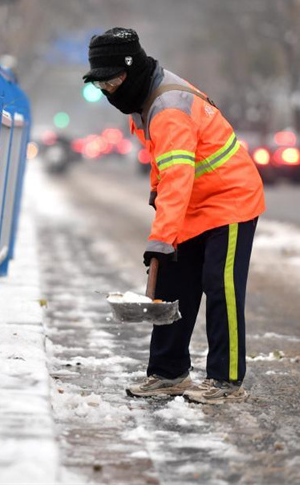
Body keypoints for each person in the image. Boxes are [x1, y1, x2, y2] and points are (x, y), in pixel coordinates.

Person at [82, 27, 265, 404]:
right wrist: (156, 193)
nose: (107, 91)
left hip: (230, 199)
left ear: (129, 74)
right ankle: (168, 373)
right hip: (195, 203)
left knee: (220, 285)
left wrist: (161, 239)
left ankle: (226, 380)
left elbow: (178, 177)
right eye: (100, 85)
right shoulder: (143, 99)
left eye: (111, 83)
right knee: (173, 285)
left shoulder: (167, 109)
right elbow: (163, 162)